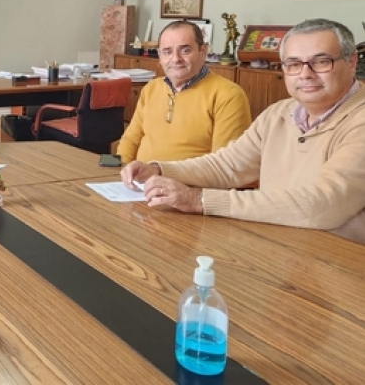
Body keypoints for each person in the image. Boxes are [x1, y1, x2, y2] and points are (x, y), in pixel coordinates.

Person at [121, 19, 365, 243]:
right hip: (273, 248)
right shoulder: (278, 113)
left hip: (337, 265)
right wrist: (159, 169)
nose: (305, 74)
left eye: (321, 62)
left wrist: (200, 200)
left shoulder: (359, 120)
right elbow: (226, 166)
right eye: (292, 64)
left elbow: (323, 205)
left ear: (351, 62)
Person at [117, 20, 251, 164]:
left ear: (203, 51)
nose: (175, 59)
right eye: (167, 52)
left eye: (185, 50)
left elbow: (224, 165)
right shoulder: (151, 88)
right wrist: (121, 171)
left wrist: (164, 176)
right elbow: (130, 140)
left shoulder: (228, 95)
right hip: (138, 182)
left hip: (186, 185)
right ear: (159, 56)